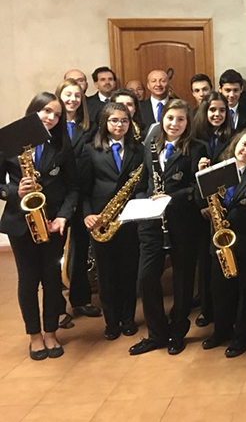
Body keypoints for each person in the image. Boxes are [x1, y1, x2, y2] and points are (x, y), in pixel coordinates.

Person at [0, 93, 78, 360]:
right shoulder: (9, 142)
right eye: (46, 111)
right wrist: (13, 191)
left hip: (52, 223)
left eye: (57, 115)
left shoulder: (62, 146)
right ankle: (34, 335)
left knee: (52, 280)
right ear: (33, 111)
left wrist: (64, 217)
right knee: (28, 280)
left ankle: (51, 332)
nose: (51, 118)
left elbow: (73, 188)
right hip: (20, 223)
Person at [128, 99, 208, 356]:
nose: (175, 124)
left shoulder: (198, 148)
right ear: (162, 119)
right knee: (146, 278)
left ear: (188, 122)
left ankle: (177, 331)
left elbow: (199, 187)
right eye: (170, 118)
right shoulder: (151, 147)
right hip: (151, 223)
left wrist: (172, 198)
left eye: (181, 119)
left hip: (183, 221)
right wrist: (141, 202)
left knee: (183, 279)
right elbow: (143, 183)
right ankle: (156, 333)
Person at [199, 129, 246, 358]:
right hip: (220, 242)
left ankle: (242, 338)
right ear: (235, 144)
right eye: (244, 145)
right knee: (219, 291)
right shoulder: (219, 170)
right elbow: (202, 199)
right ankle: (221, 331)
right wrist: (202, 177)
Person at [79, 102, 143, 340]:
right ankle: (111, 321)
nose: (120, 125)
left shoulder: (139, 150)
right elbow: (83, 189)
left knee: (129, 272)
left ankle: (128, 318)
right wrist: (87, 214)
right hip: (100, 220)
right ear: (104, 123)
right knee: (106, 275)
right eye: (114, 120)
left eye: (124, 120)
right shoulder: (89, 150)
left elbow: (141, 183)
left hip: (129, 219)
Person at [55, 79, 101, 325]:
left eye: (77, 95)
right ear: (59, 96)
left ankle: (81, 299)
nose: (72, 99)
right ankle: (57, 309)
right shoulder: (50, 126)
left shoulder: (90, 127)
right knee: (54, 255)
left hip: (82, 195)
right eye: (67, 94)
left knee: (81, 250)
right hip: (57, 200)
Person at [192, 92, 234, 327]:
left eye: (221, 110)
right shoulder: (195, 139)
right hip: (201, 212)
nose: (217, 114)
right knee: (205, 264)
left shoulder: (231, 138)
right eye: (212, 110)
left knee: (222, 261)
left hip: (223, 207)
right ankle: (207, 310)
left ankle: (224, 310)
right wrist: (201, 206)